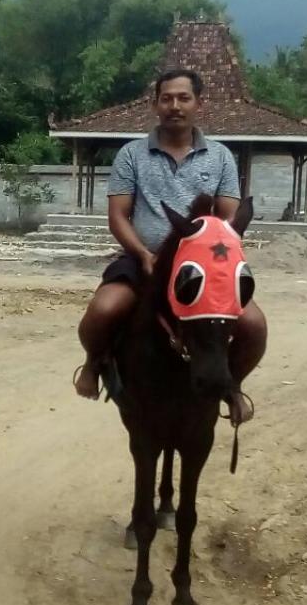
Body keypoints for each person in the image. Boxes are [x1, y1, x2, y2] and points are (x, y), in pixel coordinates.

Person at [71, 68, 267, 424]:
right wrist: (145, 255)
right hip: (142, 257)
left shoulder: (221, 157)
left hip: (202, 269)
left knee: (254, 325)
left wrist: (211, 260)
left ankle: (233, 386)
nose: (174, 105)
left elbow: (228, 218)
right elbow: (118, 217)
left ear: (198, 104)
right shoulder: (132, 155)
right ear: (155, 104)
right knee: (102, 310)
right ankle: (92, 365)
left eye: (183, 98)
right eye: (166, 98)